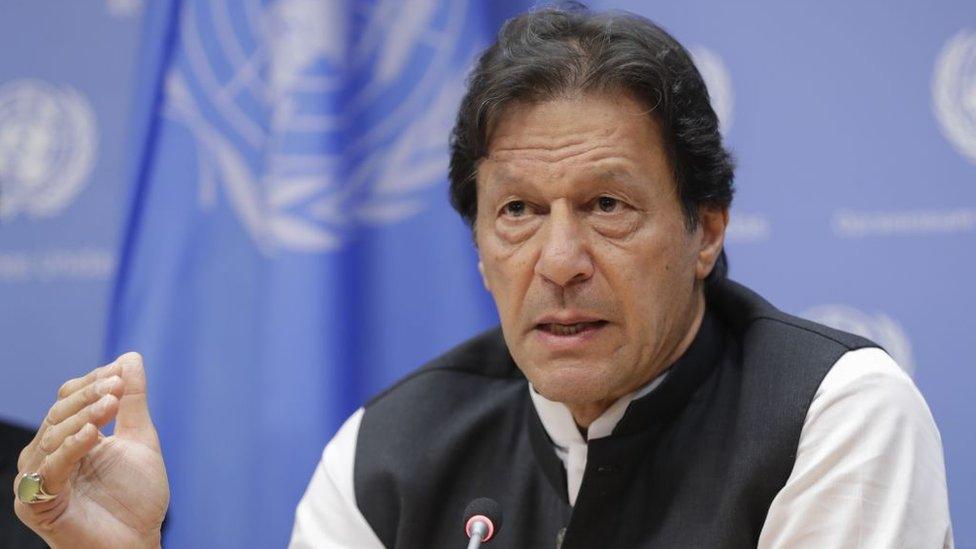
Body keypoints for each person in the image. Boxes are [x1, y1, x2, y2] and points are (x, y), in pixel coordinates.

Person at [14, 5, 952, 548]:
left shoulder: (833, 414)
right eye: (517, 211)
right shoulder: (389, 449)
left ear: (706, 229)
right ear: (475, 242)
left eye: (608, 206)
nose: (558, 260)